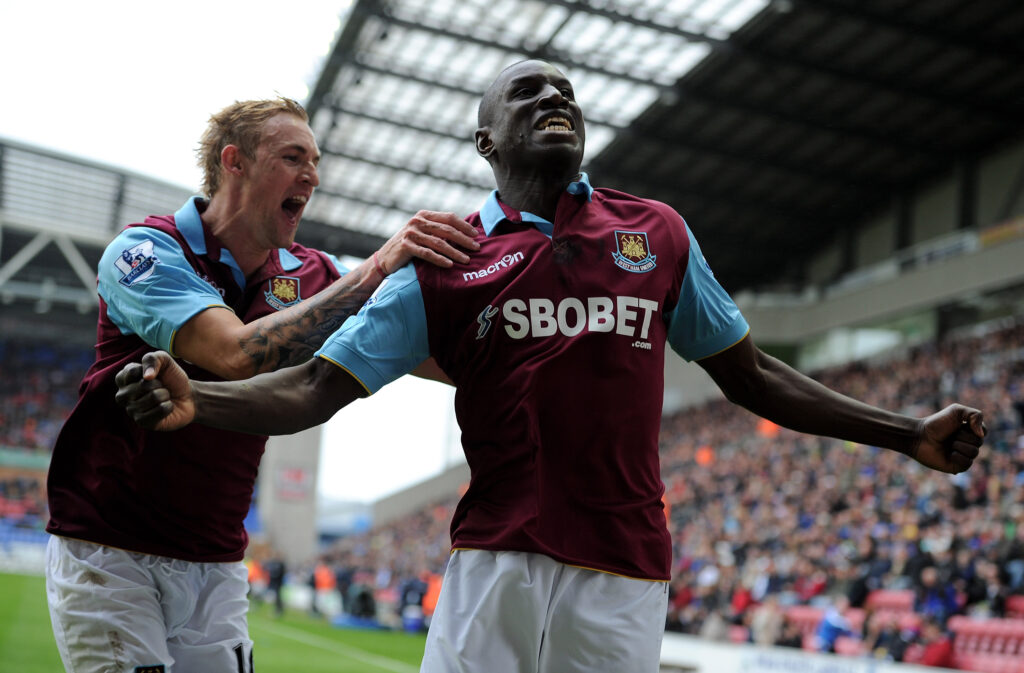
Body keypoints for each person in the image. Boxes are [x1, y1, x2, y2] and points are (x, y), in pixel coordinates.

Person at [115, 61, 987, 673]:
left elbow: (754, 376)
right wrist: (202, 404)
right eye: (527, 92)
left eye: (565, 91)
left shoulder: (657, 236)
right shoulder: (442, 261)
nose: (553, 99)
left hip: (624, 569)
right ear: (486, 136)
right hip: (493, 562)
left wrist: (905, 431)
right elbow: (314, 387)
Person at [44, 96, 478, 673]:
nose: (312, 176)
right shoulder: (144, 252)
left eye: (315, 161)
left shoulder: (313, 275)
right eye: (293, 156)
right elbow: (234, 354)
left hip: (216, 562)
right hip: (110, 551)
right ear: (235, 162)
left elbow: (437, 356)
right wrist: (375, 268)